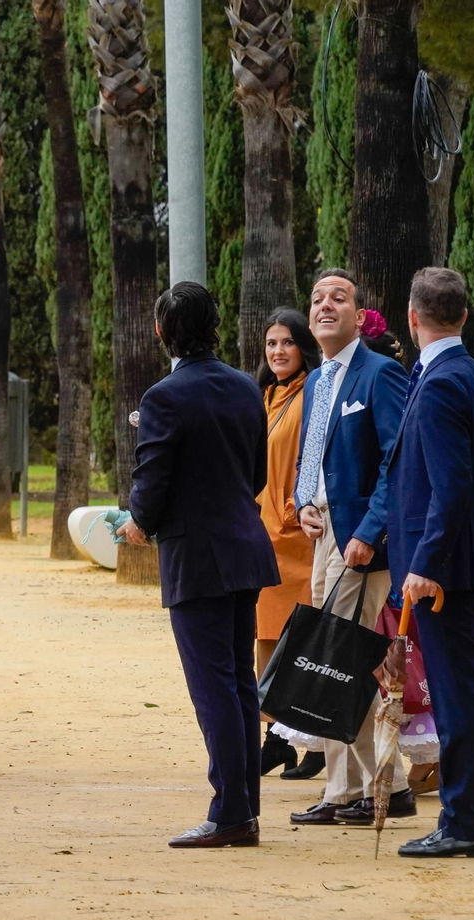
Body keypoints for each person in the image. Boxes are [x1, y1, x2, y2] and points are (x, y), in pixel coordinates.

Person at [118, 282, 281, 848]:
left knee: (213, 688)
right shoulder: (245, 387)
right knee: (239, 683)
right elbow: (256, 472)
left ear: (163, 331)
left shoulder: (164, 396)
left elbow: (152, 477)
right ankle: (245, 807)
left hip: (197, 556)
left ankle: (230, 811)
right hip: (244, 546)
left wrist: (140, 521)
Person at [283, 269, 416, 828]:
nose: (324, 306)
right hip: (322, 534)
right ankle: (355, 788)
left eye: (338, 298)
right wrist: (301, 498)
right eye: (316, 299)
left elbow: (396, 459)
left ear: (360, 317)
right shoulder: (317, 380)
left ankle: (378, 786)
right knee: (332, 658)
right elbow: (311, 455)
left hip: (360, 541)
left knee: (340, 660)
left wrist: (369, 531)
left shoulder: (380, 375)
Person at [388, 267, 474, 859]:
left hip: (445, 568)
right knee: (461, 693)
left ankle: (462, 822)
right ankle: (463, 817)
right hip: (462, 561)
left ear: (412, 317)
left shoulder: (440, 383)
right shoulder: (473, 376)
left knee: (457, 697)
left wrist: (426, 562)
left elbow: (451, 485)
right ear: (462, 315)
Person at [252, 308, 325, 780]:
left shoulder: (313, 392)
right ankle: (278, 734)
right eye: (271, 343)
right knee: (268, 637)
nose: (278, 351)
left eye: (287, 343)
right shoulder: (266, 395)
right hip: (264, 532)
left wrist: (295, 507)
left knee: (305, 640)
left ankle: (311, 738)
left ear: (303, 347)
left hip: (298, 534)